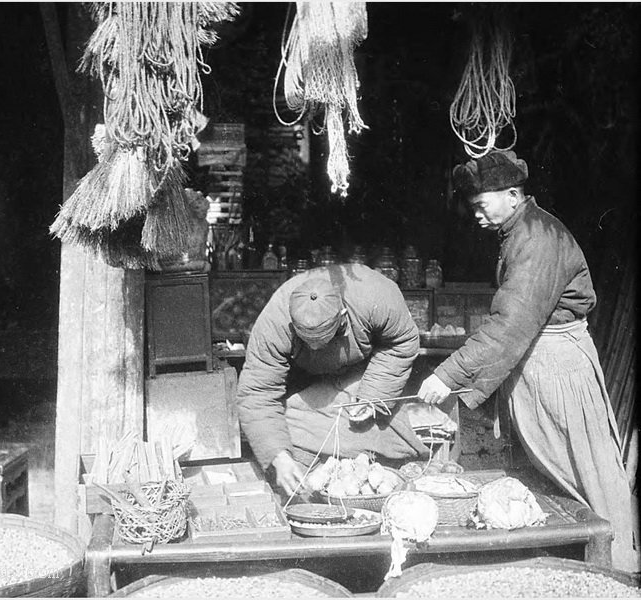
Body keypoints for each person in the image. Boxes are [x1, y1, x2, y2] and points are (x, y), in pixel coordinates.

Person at [417, 149, 637, 572]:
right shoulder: (520, 232)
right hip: (543, 359)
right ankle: (578, 562)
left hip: (559, 366)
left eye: (481, 204)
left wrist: (448, 374)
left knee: (586, 469)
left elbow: (509, 323)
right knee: (559, 466)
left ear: (513, 195)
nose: (476, 215)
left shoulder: (537, 239)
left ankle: (618, 571)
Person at [237, 263, 434, 496]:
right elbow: (257, 392)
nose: (314, 346)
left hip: (367, 367)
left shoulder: (374, 295)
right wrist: (277, 455)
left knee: (384, 429)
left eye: (321, 339)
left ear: (342, 317)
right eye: (307, 340)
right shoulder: (274, 322)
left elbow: (401, 342)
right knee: (287, 441)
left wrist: (373, 395)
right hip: (305, 376)